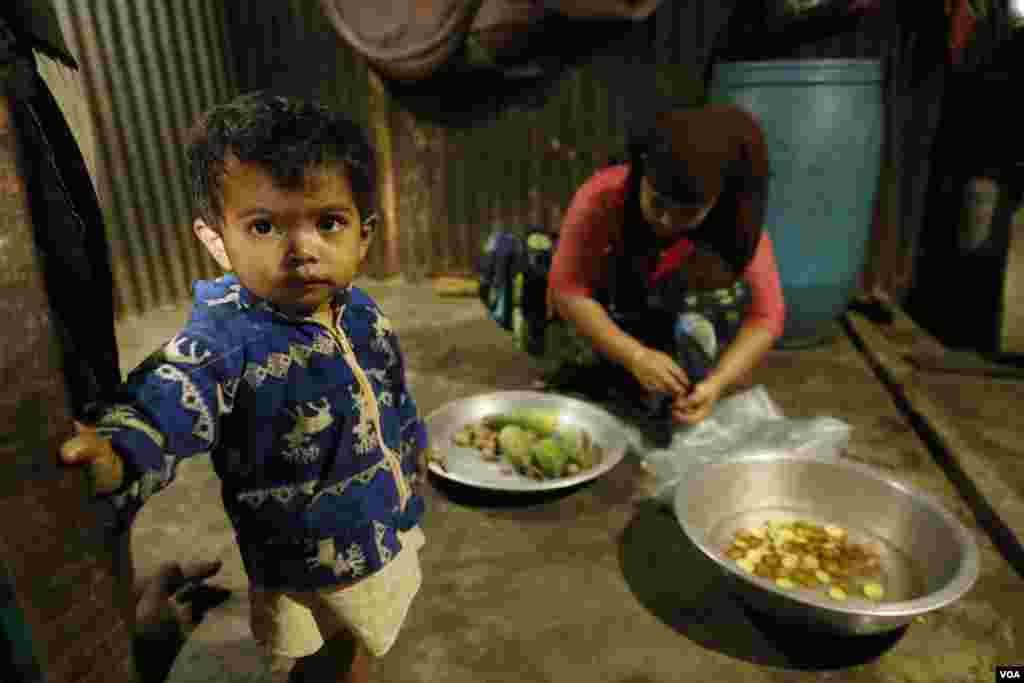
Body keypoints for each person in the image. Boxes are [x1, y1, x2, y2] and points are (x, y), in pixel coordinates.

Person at [58, 92, 429, 683]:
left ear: (364, 233)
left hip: (380, 527)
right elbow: (168, 397)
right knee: (314, 652)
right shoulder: (227, 340)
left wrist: (415, 448)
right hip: (303, 565)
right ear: (216, 240)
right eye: (263, 226)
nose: (302, 250)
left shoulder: (361, 314)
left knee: (357, 640)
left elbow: (392, 395)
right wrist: (119, 450)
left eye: (327, 222)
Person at [480, 104, 785, 425]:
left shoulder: (735, 228)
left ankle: (678, 385)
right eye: (657, 203)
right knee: (514, 256)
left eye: (686, 213)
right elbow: (567, 288)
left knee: (726, 301)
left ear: (715, 202)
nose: (666, 221)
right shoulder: (604, 194)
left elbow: (767, 317)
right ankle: (589, 371)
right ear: (641, 175)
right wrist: (634, 355)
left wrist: (717, 384)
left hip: (673, 324)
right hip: (614, 310)